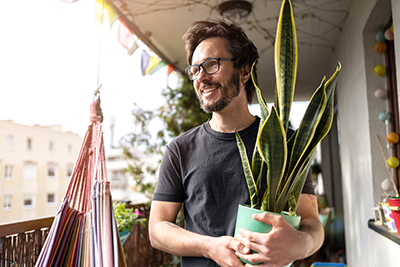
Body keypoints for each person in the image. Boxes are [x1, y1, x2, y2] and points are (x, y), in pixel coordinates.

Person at [149, 20, 324, 267]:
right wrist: (210, 247)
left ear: (244, 71)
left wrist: (301, 244)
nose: (202, 77)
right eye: (195, 70)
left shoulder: (286, 143)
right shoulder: (180, 149)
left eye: (212, 64)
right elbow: (157, 229)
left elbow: (311, 222)